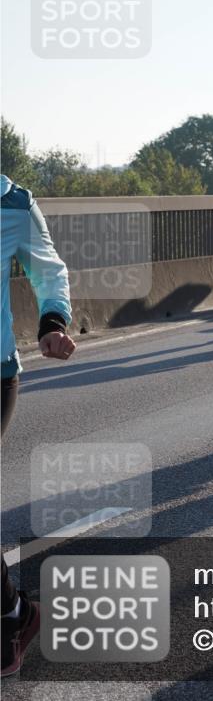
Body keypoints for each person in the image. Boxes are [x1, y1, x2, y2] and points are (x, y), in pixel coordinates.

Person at [1, 174, 76, 677]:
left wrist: (52, 322)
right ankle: (17, 613)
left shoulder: (13, 204)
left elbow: (49, 271)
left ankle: (13, 621)